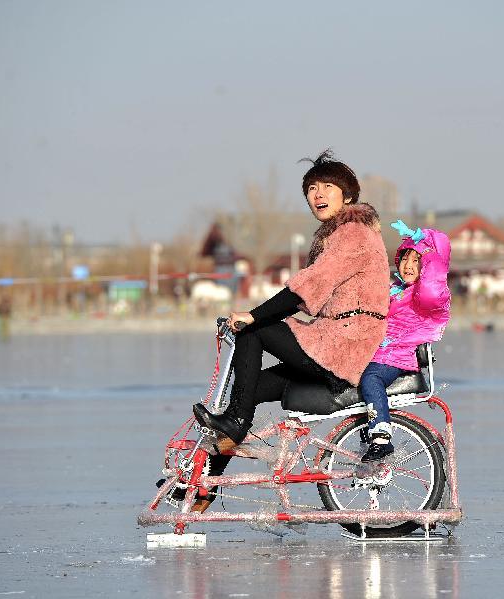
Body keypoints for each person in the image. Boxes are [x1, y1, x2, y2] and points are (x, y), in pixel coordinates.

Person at [189, 150, 391, 513]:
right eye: (312, 189)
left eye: (327, 187)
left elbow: (306, 288)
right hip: (331, 340)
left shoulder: (353, 233)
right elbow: (311, 293)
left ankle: (233, 425)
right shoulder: (337, 235)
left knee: (256, 332)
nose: (318, 194)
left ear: (347, 195)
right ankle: (207, 486)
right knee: (247, 390)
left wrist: (252, 316)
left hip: (345, 343)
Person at [358, 221, 451, 462]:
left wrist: (426, 245)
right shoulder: (397, 289)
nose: (408, 266)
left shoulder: (426, 295)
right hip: (380, 351)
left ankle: (381, 436)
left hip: (398, 356)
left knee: (372, 378)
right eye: (405, 259)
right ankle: (364, 430)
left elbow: (433, 279)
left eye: (416, 261)